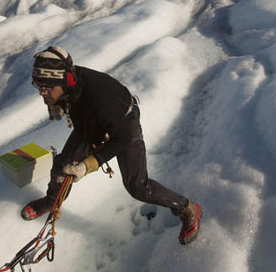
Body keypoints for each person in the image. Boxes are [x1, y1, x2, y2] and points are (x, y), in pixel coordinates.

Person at [21, 46, 202, 246]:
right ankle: (51, 201)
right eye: (38, 86)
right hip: (91, 122)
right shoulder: (68, 81)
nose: (41, 93)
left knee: (138, 186)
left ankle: (187, 208)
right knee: (62, 164)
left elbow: (122, 137)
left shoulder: (99, 97)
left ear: (62, 81)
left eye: (46, 88)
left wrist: (88, 164)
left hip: (124, 122)